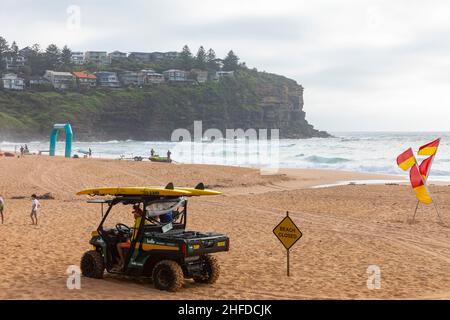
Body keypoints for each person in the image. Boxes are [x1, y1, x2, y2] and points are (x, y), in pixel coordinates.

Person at [115, 204, 144, 271]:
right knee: (126, 240)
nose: (134, 215)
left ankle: (123, 262)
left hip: (135, 243)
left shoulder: (139, 221)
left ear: (138, 214)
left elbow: (135, 235)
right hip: (139, 241)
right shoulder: (144, 220)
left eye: (135, 213)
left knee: (118, 245)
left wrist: (129, 240)